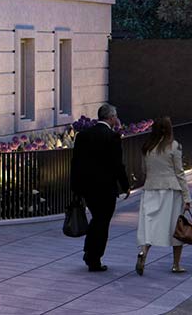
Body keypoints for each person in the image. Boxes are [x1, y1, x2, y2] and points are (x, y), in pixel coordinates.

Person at [73, 103, 133, 272]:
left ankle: (90, 252)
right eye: (115, 117)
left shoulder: (83, 135)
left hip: (88, 188)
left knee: (97, 219)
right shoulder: (112, 137)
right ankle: (94, 257)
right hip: (106, 189)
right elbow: (118, 165)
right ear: (111, 118)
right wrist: (125, 185)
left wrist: (76, 187)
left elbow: (76, 163)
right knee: (102, 222)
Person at [136, 116, 187, 275]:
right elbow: (179, 173)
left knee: (149, 225)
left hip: (150, 188)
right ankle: (176, 264)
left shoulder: (147, 147)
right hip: (171, 190)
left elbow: (144, 170)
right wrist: (187, 197)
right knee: (176, 227)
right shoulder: (174, 146)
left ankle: (144, 252)